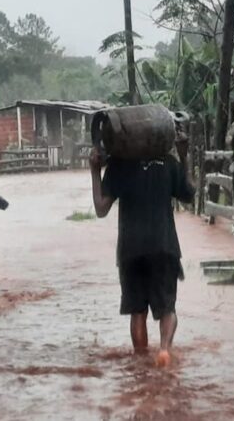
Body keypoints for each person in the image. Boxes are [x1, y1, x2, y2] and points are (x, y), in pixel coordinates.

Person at [89, 132, 194, 368]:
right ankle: (165, 350)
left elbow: (100, 208)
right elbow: (189, 194)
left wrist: (95, 171)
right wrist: (185, 156)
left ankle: (140, 362)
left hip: (131, 250)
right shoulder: (168, 163)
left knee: (138, 312)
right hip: (164, 246)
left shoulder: (119, 166)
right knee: (167, 308)